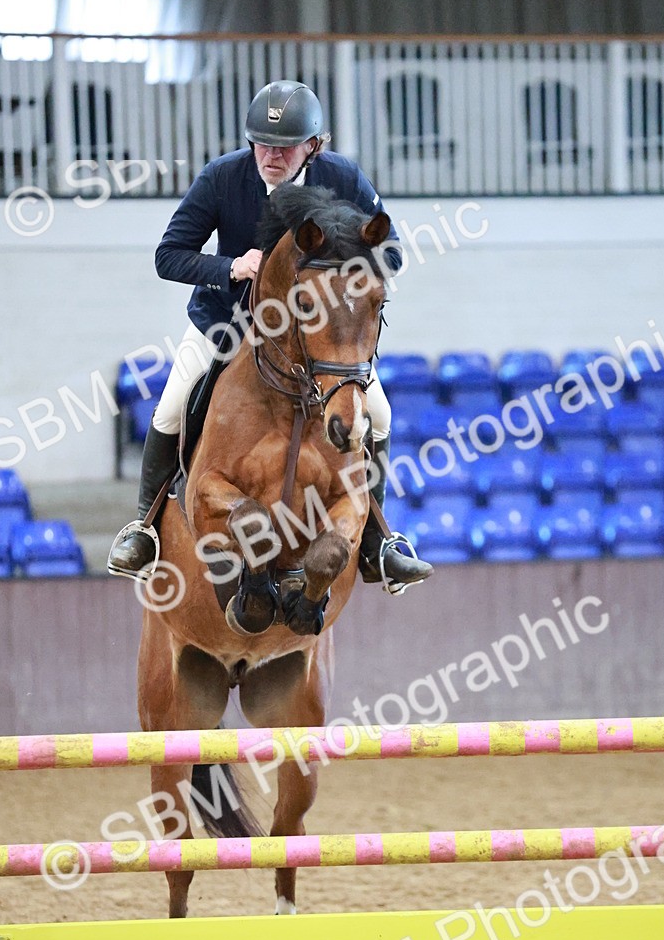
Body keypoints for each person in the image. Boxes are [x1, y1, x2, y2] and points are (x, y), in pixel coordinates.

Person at [108, 79, 432, 592]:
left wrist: (346, 259)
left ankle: (377, 543)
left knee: (382, 416)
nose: (270, 156)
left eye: (284, 147)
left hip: (316, 338)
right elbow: (168, 256)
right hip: (227, 323)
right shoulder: (223, 177)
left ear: (313, 145)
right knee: (171, 406)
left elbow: (390, 252)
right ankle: (144, 529)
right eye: (261, 143)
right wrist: (231, 266)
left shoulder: (342, 176)